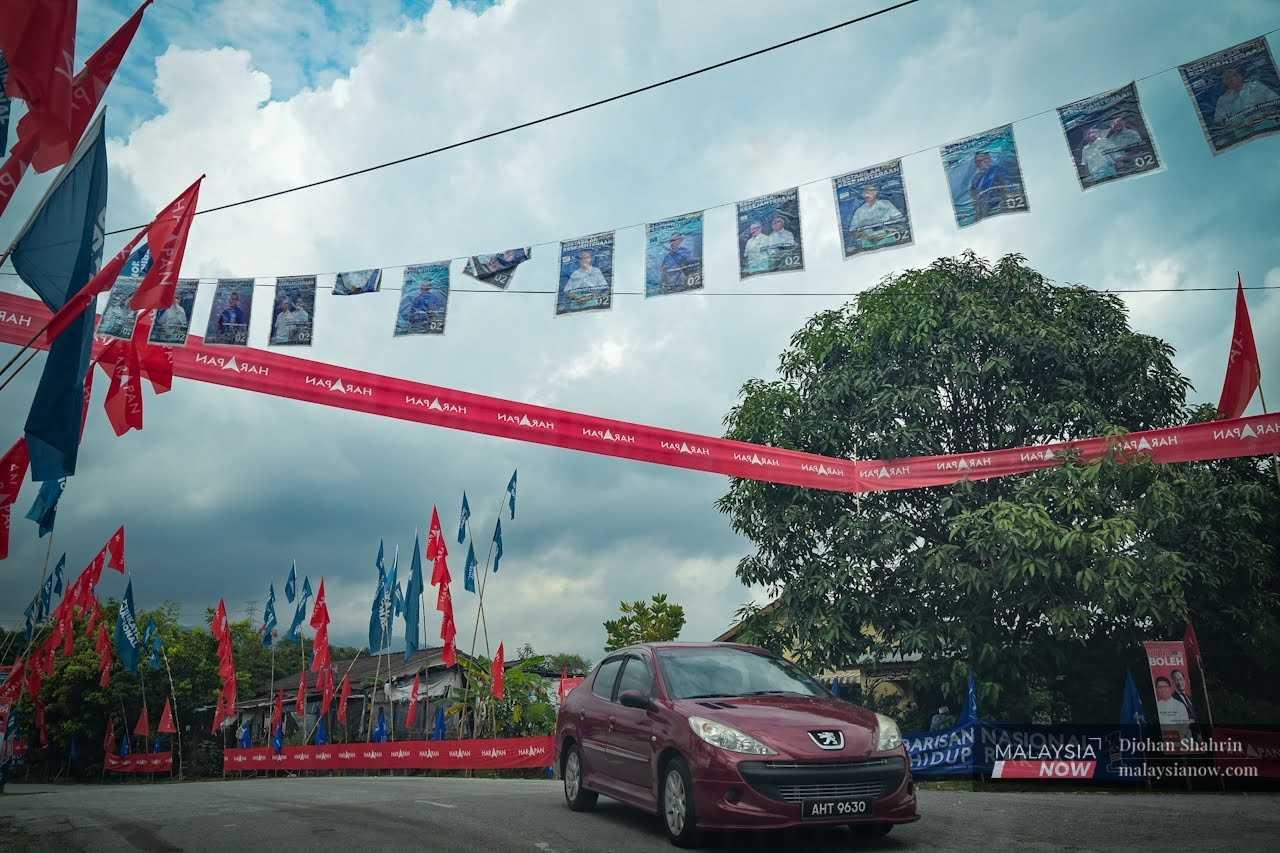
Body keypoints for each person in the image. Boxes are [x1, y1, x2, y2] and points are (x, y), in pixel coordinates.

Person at [1213, 66, 1279, 125]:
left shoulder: (1256, 86)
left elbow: (1276, 100)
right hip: (1242, 130)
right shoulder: (1222, 100)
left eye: (1234, 75)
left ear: (1240, 76)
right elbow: (1219, 121)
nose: (1231, 79)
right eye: (1227, 78)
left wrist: (1266, 112)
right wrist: (1237, 123)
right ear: (1224, 82)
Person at [969, 150, 1011, 219]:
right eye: (979, 161)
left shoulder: (997, 170)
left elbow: (1006, 188)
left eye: (985, 159)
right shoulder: (976, 178)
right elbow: (973, 195)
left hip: (1000, 206)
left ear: (990, 159)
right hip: (985, 210)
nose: (983, 162)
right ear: (976, 163)